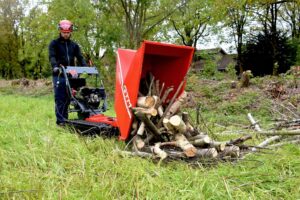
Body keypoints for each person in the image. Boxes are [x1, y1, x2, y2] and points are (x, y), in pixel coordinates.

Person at [48, 19, 87, 126]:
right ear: (60, 31)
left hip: (71, 73)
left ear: (71, 32)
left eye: (67, 33)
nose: (66, 35)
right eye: (64, 33)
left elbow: (80, 57)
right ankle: (61, 122)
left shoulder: (74, 45)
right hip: (59, 73)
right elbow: (52, 57)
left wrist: (85, 67)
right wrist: (55, 66)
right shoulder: (54, 44)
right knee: (60, 97)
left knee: (71, 96)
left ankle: (71, 118)